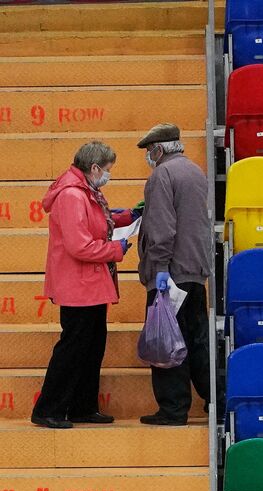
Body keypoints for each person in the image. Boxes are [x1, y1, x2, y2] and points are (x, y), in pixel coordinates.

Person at [31, 142, 134, 429]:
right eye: (108, 169)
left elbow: (97, 222)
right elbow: (80, 246)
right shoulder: (73, 196)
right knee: (74, 348)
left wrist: (126, 217)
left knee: (92, 346)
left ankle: (82, 406)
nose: (109, 175)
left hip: (88, 284)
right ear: (94, 168)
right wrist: (115, 249)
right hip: (78, 285)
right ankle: (48, 409)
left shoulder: (84, 191)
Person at [135, 123, 213, 426]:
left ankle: (173, 408)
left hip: (170, 272)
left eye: (148, 151)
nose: (148, 157)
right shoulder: (195, 172)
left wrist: (161, 269)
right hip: (195, 270)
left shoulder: (161, 176)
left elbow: (162, 230)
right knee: (197, 339)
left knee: (165, 338)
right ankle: (213, 399)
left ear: (158, 149)